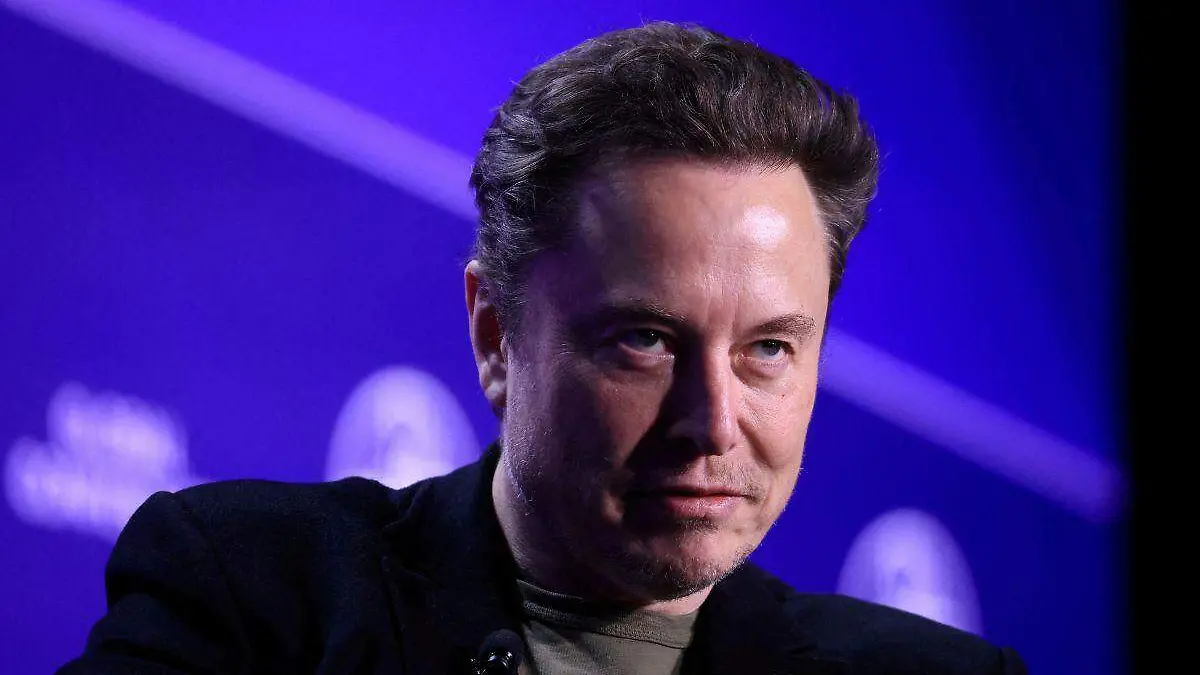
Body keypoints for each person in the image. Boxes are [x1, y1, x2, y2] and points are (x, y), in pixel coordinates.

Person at [58, 21, 1028, 675]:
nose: (713, 424)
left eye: (768, 349)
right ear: (495, 335)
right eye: (645, 340)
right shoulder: (250, 594)